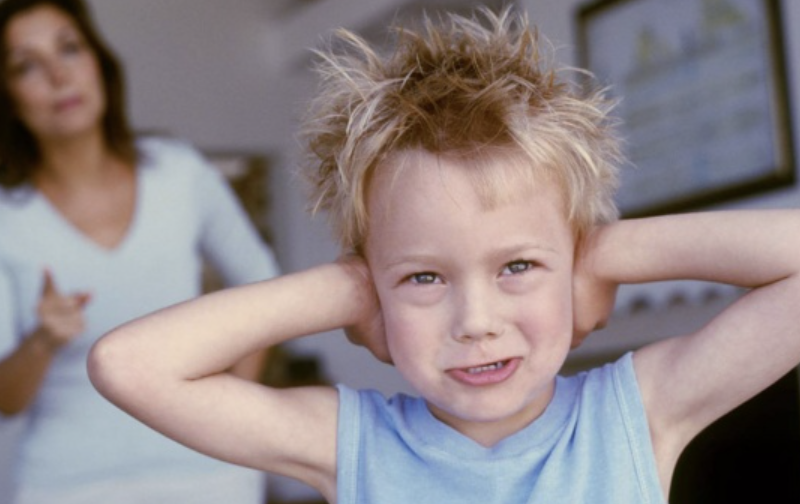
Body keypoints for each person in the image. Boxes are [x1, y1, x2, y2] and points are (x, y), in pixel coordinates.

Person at [88, 7, 800, 504]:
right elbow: (128, 365)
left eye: (517, 266)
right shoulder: (351, 444)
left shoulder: (635, 413)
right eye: (425, 277)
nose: (475, 321)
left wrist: (600, 255)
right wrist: (354, 290)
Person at [0, 0, 279, 502]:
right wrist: (42, 341)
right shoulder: (6, 216)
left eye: (69, 48)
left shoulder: (178, 172)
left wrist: (232, 411)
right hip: (64, 485)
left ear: (99, 62)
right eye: (26, 66)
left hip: (209, 476)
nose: (59, 75)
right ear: (8, 98)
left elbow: (264, 285)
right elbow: (6, 399)